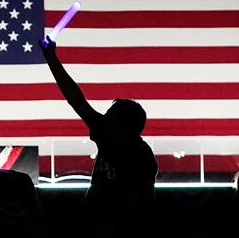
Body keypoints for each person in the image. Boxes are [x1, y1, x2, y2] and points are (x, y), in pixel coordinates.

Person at [40, 35, 158, 236]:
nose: (102, 120)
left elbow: (137, 204)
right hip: (96, 223)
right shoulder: (111, 136)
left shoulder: (141, 159)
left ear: (123, 128)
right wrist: (52, 59)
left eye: (109, 118)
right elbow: (76, 100)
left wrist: (107, 224)